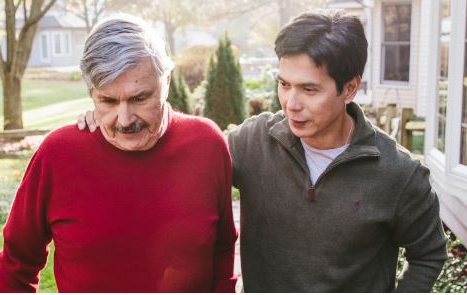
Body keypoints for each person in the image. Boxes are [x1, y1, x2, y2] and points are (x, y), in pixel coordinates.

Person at [79, 10, 447, 292]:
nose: (291, 103)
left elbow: (428, 255)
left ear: (349, 88)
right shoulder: (252, 141)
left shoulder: (400, 175)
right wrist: (111, 113)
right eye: (283, 84)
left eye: (309, 89)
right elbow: (184, 154)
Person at [0, 16, 237, 292]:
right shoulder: (57, 154)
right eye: (107, 101)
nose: (124, 119)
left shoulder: (207, 144)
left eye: (139, 98)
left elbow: (222, 247)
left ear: (166, 81)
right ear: (91, 93)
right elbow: (17, 265)